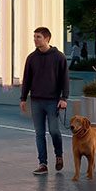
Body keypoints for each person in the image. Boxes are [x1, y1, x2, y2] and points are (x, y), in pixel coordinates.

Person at [20, 27, 70, 175]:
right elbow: (26, 79)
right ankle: (43, 164)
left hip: (53, 101)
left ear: (47, 39)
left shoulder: (59, 57)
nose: (35, 39)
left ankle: (59, 155)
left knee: (54, 130)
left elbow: (65, 79)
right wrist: (23, 98)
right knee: (39, 133)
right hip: (36, 101)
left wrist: (64, 98)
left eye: (38, 37)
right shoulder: (31, 58)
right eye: (34, 37)